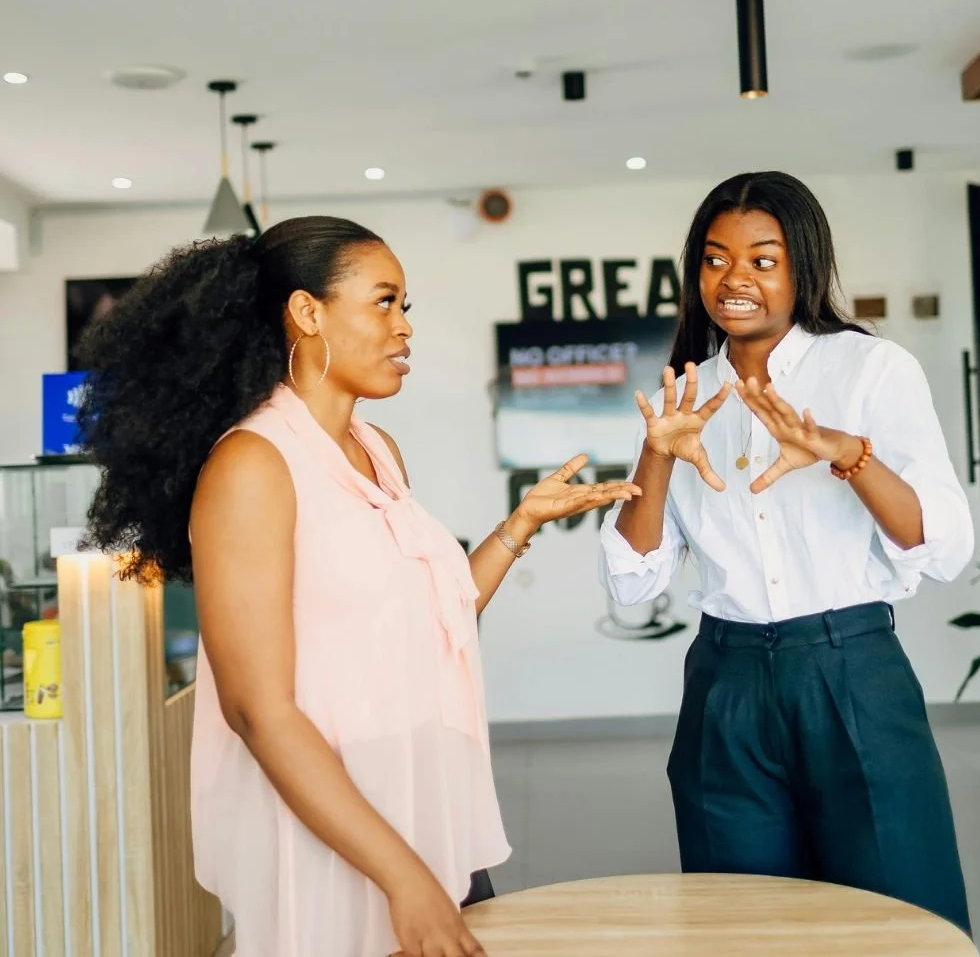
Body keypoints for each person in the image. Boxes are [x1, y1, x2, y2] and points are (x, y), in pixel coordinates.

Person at [76, 216, 640, 957]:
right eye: (385, 302)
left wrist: (519, 525)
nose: (405, 328)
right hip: (338, 828)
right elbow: (257, 711)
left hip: (424, 799)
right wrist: (401, 876)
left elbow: (434, 618)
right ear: (307, 312)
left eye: (406, 307)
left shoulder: (379, 452)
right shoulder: (253, 466)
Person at [598, 172, 974, 934]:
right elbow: (633, 581)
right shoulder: (685, 397)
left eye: (762, 260)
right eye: (715, 259)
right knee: (742, 929)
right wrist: (656, 456)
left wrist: (847, 454)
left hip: (852, 673)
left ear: (802, 267)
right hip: (726, 686)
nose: (734, 280)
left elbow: (940, 545)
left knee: (900, 920)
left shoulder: (870, 369)